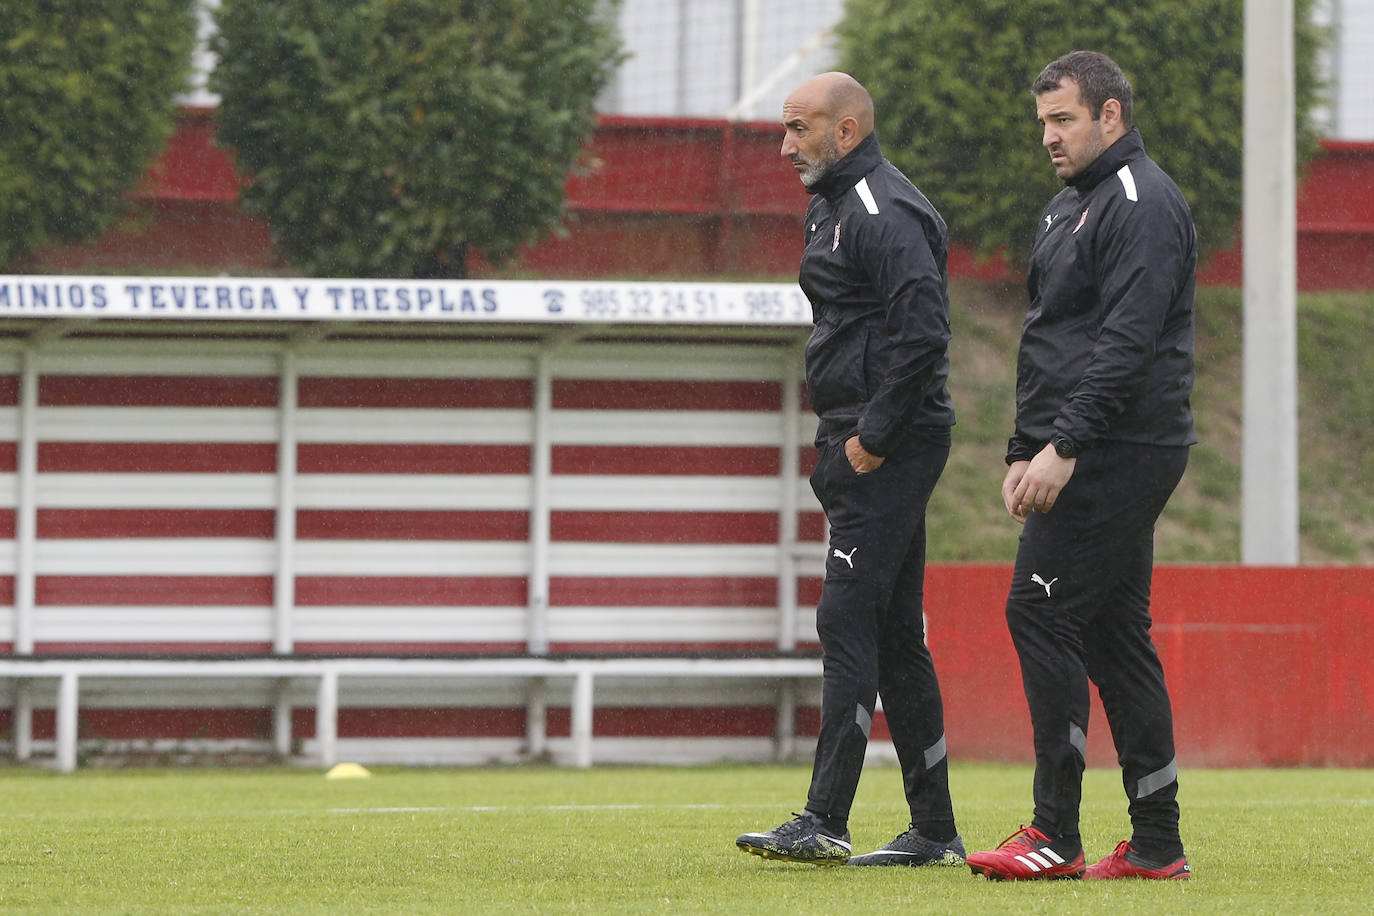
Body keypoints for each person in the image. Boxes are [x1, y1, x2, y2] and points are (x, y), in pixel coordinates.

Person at [965, 50, 1196, 881]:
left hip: (1121, 446)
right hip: (1084, 441)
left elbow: (1127, 344)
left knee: (1039, 612)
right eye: (1043, 124)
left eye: (1064, 120)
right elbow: (1049, 340)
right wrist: (1025, 446)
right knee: (1114, 637)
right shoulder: (1069, 208)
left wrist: (1066, 447)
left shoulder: (1141, 203)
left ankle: (1054, 832)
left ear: (1111, 116)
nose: (1049, 138)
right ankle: (1158, 843)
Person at [735, 72, 963, 869]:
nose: (785, 145)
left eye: (799, 129)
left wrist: (874, 434)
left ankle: (824, 818)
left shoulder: (881, 208)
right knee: (897, 636)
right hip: (857, 442)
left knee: (845, 620)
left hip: (885, 447)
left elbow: (923, 328)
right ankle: (933, 830)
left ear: (848, 130)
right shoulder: (833, 204)